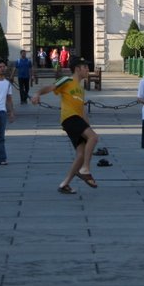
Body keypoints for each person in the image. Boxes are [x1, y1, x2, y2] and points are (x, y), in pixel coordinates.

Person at [32, 59, 99, 194]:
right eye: (85, 67)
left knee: (81, 154)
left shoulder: (80, 88)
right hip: (69, 118)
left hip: (77, 119)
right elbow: (50, 87)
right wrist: (37, 94)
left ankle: (64, 184)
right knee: (94, 138)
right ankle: (85, 169)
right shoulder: (66, 81)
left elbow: (82, 110)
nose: (87, 70)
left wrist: (88, 127)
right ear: (77, 69)